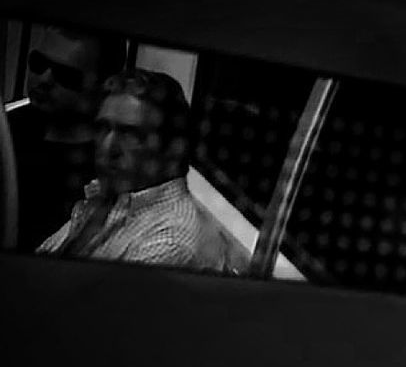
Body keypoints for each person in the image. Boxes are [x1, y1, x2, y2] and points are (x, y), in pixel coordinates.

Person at [36, 68, 239, 272]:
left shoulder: (172, 239)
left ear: (170, 148)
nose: (108, 147)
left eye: (129, 134)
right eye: (103, 129)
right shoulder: (107, 197)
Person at [9, 25, 127, 252]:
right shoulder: (10, 125)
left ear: (105, 86)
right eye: (38, 63)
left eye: (66, 75)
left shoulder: (105, 171)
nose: (43, 79)